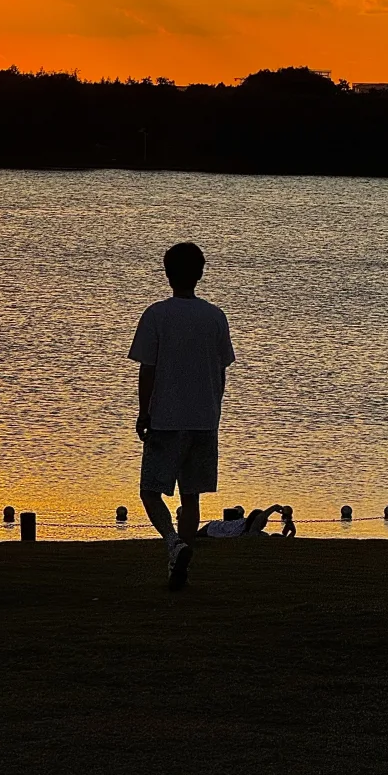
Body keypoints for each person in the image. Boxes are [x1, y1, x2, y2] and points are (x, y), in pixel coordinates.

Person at [129, 241, 235, 591]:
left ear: (167, 273)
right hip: (204, 418)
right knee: (192, 495)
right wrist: (214, 408)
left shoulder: (157, 315)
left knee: (150, 489)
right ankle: (182, 563)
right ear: (200, 272)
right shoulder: (215, 316)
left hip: (166, 419)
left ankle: (173, 543)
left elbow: (148, 369)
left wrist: (144, 412)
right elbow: (221, 369)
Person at [197, 503, 295, 538]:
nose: (264, 525)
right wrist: (274, 508)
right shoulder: (249, 529)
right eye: (263, 523)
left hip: (214, 527)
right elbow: (260, 517)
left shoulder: (251, 532)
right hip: (213, 528)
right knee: (194, 536)